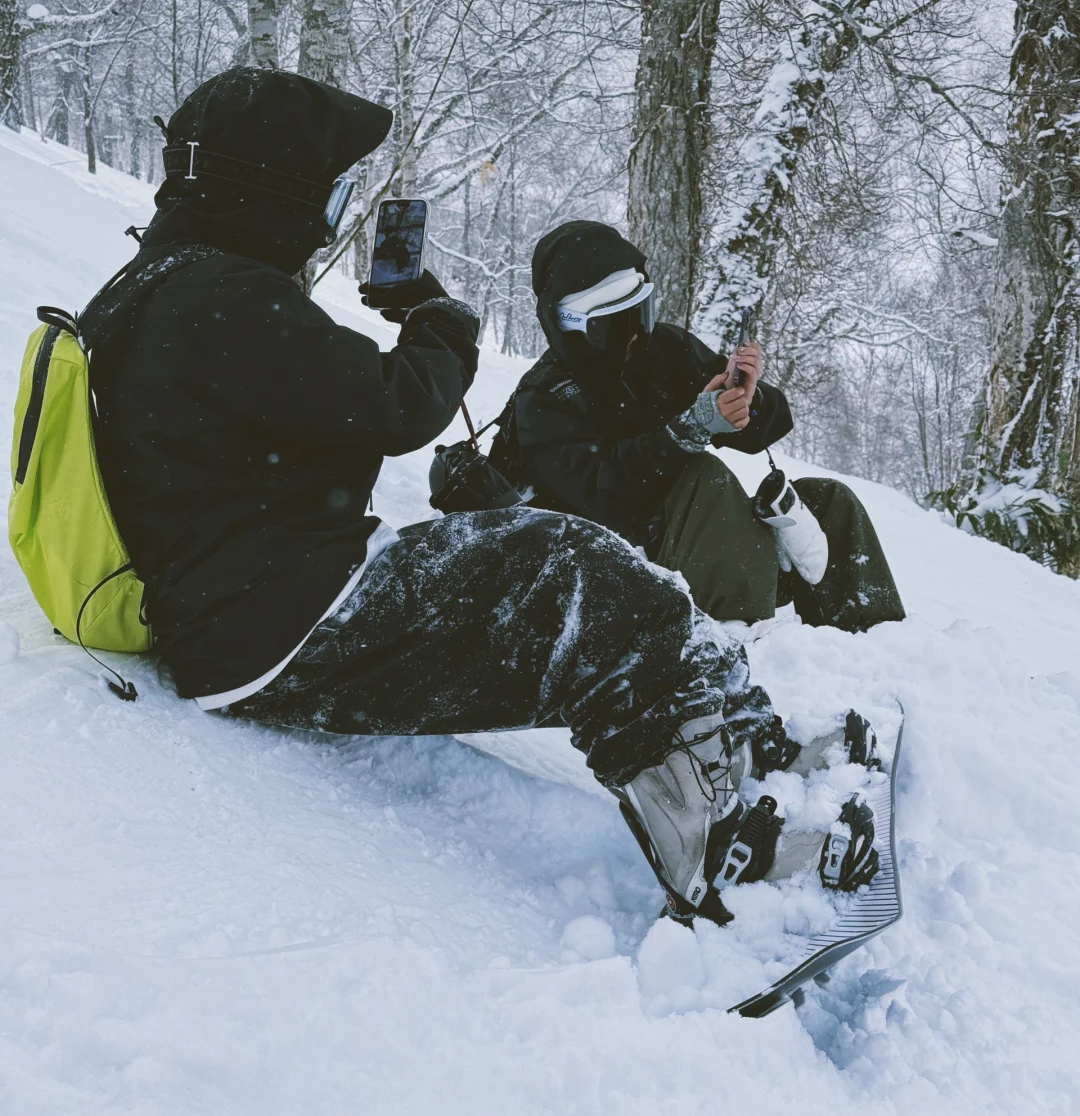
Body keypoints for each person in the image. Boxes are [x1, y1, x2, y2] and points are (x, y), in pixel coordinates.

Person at [82, 67, 882, 929]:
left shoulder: (169, 283)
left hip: (268, 603)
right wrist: (444, 319)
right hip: (274, 624)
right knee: (574, 569)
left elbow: (312, 406)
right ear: (271, 186)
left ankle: (752, 746)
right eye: (333, 188)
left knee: (597, 572)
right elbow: (399, 404)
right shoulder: (219, 293)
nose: (336, 210)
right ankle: (721, 850)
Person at [490, 221, 905, 633]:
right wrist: (689, 428)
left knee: (830, 502)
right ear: (573, 327)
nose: (634, 334)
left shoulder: (661, 350)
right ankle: (742, 654)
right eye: (615, 325)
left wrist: (745, 398)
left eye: (641, 313)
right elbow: (602, 494)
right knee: (704, 475)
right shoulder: (546, 398)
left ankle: (878, 647)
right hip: (626, 574)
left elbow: (768, 425)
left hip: (712, 549)